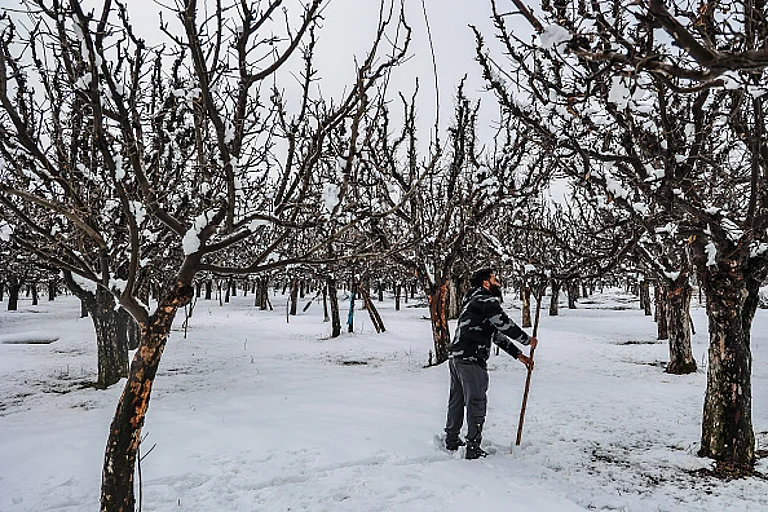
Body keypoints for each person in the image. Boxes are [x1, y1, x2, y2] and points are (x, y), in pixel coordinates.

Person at [444, 268, 538, 459]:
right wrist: (527, 340)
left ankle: (452, 439)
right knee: (476, 402)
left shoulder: (472, 300)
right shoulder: (486, 299)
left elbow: (495, 333)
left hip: (457, 357)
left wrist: (519, 355)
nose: (499, 283)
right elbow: (503, 323)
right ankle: (473, 447)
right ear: (486, 283)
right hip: (471, 359)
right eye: (495, 279)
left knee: (458, 400)